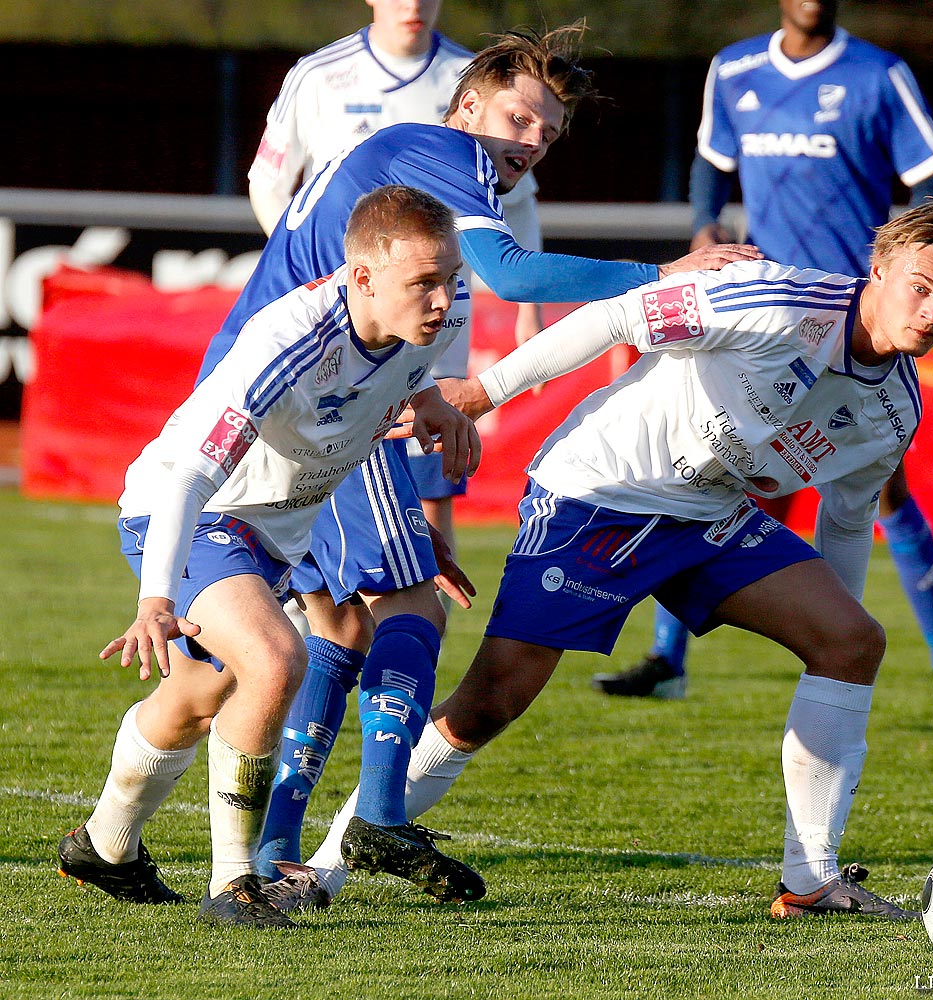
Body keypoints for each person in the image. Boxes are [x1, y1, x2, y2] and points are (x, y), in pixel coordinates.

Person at [273, 194, 933, 918]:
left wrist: (837, 615)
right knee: (485, 706)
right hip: (601, 494)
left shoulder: (895, 409)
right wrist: (483, 390)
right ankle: (322, 873)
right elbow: (619, 315)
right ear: (878, 268)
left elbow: (845, 523)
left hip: (708, 518)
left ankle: (810, 881)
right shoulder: (777, 303)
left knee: (853, 642)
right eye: (921, 287)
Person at [221, 25, 762, 908]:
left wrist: (431, 392)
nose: (529, 143)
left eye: (546, 135)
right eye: (518, 118)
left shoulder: (419, 171)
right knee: (411, 605)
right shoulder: (442, 153)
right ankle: (379, 814)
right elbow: (509, 275)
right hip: (311, 397)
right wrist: (666, 271)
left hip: (285, 388)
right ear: (467, 106)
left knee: (339, 626)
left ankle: (264, 845)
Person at [56, 185, 481, 929]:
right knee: (275, 659)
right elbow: (190, 473)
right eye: (425, 283)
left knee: (193, 703)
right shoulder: (290, 341)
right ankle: (233, 887)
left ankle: (104, 845)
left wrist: (437, 410)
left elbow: (386, 398)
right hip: (191, 515)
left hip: (279, 533)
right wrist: (156, 597)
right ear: (362, 278)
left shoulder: (426, 324)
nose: (445, 298)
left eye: (450, 277)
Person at [591, 0, 933, 704]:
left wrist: (908, 264)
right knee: (703, 462)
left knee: (879, 479)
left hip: (855, 318)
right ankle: (666, 659)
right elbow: (711, 164)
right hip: (765, 318)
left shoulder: (877, 75)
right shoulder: (735, 68)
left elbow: (932, 181)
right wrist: (705, 230)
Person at [247, 0, 546, 571]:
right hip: (342, 308)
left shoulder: (474, 80)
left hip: (437, 306)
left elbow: (516, 206)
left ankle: (417, 621)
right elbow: (270, 181)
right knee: (319, 465)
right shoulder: (318, 75)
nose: (413, 4)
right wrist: (310, 271)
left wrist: (526, 307)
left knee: (434, 482)